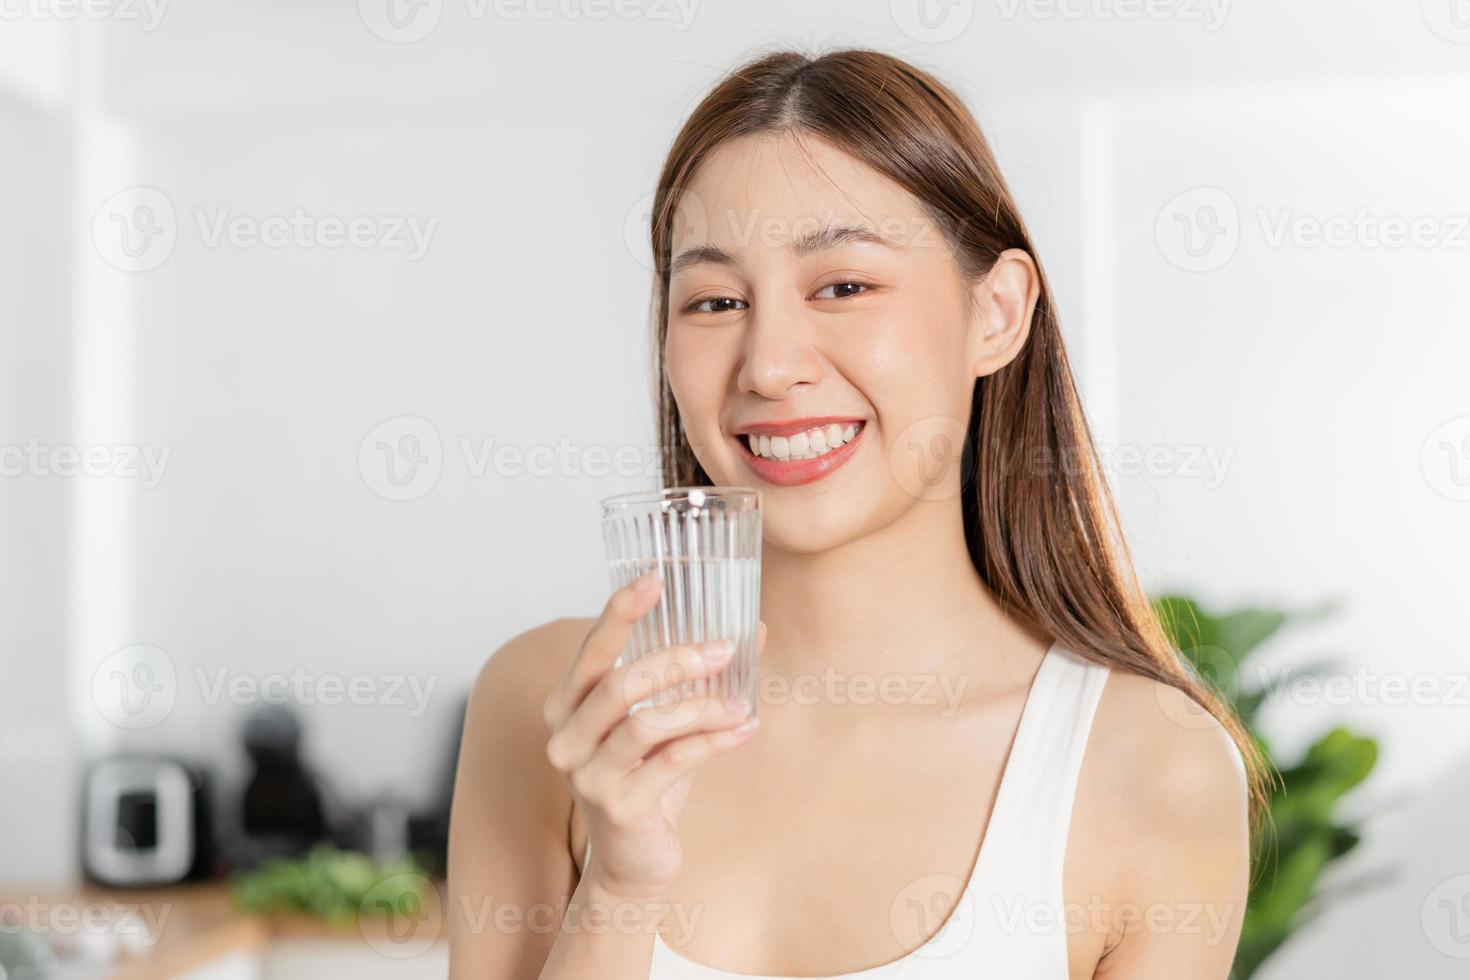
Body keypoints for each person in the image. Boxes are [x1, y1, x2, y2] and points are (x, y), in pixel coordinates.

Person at [448, 46, 1260, 980]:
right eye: (714, 299)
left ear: (995, 312)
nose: (769, 364)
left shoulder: (1150, 766)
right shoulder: (551, 713)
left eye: (843, 285)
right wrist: (621, 894)